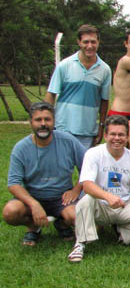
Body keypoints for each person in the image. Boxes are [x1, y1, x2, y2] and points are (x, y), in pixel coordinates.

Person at [68, 115, 130, 262]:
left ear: (127, 137)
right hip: (100, 205)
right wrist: (108, 196)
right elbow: (87, 184)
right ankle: (80, 243)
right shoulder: (93, 153)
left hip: (124, 205)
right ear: (105, 136)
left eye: (121, 135)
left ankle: (122, 234)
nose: (117, 138)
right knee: (85, 201)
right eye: (113, 134)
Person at [3, 102, 85, 246]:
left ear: (54, 121)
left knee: (77, 217)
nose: (43, 124)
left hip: (62, 198)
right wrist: (33, 203)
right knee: (10, 212)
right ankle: (33, 227)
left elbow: (88, 167)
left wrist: (76, 190)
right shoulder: (21, 148)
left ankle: (62, 224)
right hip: (33, 196)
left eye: (47, 119)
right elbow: (13, 183)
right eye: (38, 120)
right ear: (31, 122)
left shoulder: (68, 141)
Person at [45, 24, 111, 149]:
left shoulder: (105, 70)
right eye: (86, 42)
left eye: (93, 42)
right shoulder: (65, 65)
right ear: (79, 42)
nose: (90, 46)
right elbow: (51, 94)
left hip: (88, 132)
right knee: (63, 162)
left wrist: (101, 127)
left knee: (85, 163)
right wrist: (47, 121)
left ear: (98, 42)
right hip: (63, 129)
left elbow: (104, 101)